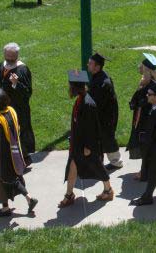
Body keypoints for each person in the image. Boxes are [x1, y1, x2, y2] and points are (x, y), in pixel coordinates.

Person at [59, 70, 113, 208]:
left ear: (75, 87)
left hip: (87, 145)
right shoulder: (81, 99)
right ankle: (69, 195)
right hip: (79, 143)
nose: (68, 87)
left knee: (97, 166)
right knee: (72, 166)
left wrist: (88, 147)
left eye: (70, 85)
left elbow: (91, 129)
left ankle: (108, 190)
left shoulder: (87, 104)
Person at [0, 88, 38, 217]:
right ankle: (29, 198)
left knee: (1, 183)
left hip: (0, 159)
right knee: (14, 179)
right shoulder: (12, 111)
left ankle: (5, 209)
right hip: (14, 154)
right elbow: (17, 130)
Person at [0, 43, 35, 166]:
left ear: (17, 56)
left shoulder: (22, 70)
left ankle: (23, 160)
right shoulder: (1, 66)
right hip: (1, 110)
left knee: (18, 136)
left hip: (17, 110)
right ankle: (9, 160)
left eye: (11, 58)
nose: (8, 60)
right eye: (7, 57)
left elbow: (27, 92)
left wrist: (15, 84)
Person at [127, 53, 156, 182]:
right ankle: (149, 170)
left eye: (142, 66)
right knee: (146, 146)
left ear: (147, 70)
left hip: (148, 120)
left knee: (147, 146)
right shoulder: (148, 83)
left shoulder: (153, 87)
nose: (140, 67)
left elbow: (143, 103)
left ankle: (146, 172)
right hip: (143, 118)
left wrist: (138, 96)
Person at [87, 52, 123, 171]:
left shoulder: (103, 82)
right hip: (103, 115)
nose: (88, 65)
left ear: (97, 67)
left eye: (91, 63)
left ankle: (116, 162)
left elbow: (96, 102)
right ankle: (99, 161)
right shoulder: (99, 76)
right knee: (103, 139)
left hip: (106, 117)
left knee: (108, 139)